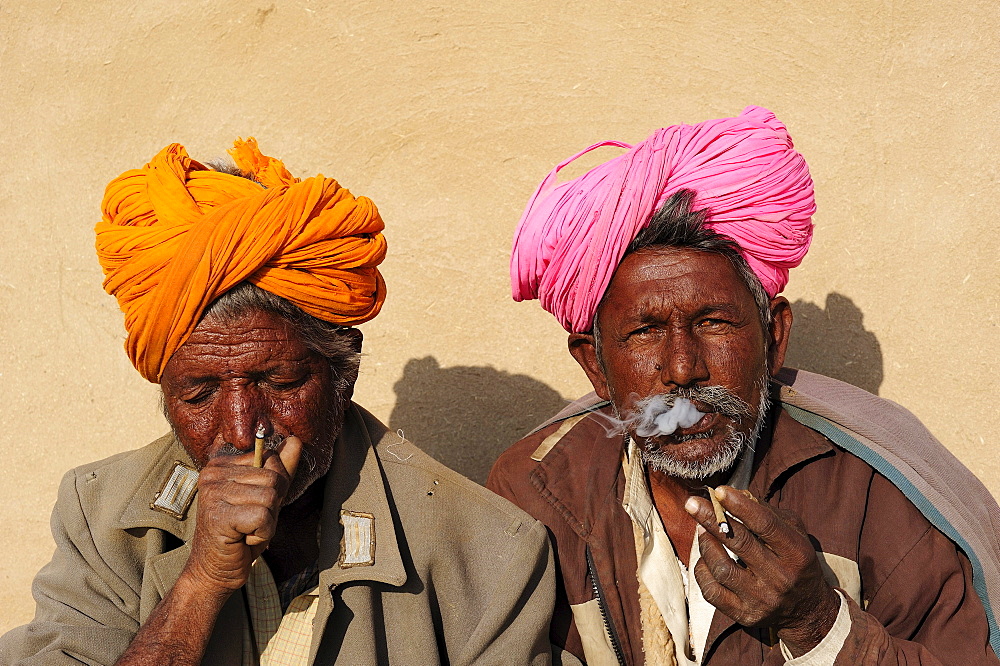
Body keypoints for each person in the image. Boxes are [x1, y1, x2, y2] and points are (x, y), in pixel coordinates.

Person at [0, 139, 560, 665]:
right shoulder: (101, 518)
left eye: (280, 382)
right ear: (165, 392)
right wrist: (200, 583)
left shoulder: (488, 551)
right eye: (200, 393)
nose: (242, 431)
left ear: (344, 374)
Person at [487, 106, 1000, 665]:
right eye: (644, 332)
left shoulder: (876, 497)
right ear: (595, 366)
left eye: (714, 323)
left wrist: (817, 624)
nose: (683, 369)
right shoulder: (536, 493)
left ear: (774, 339)